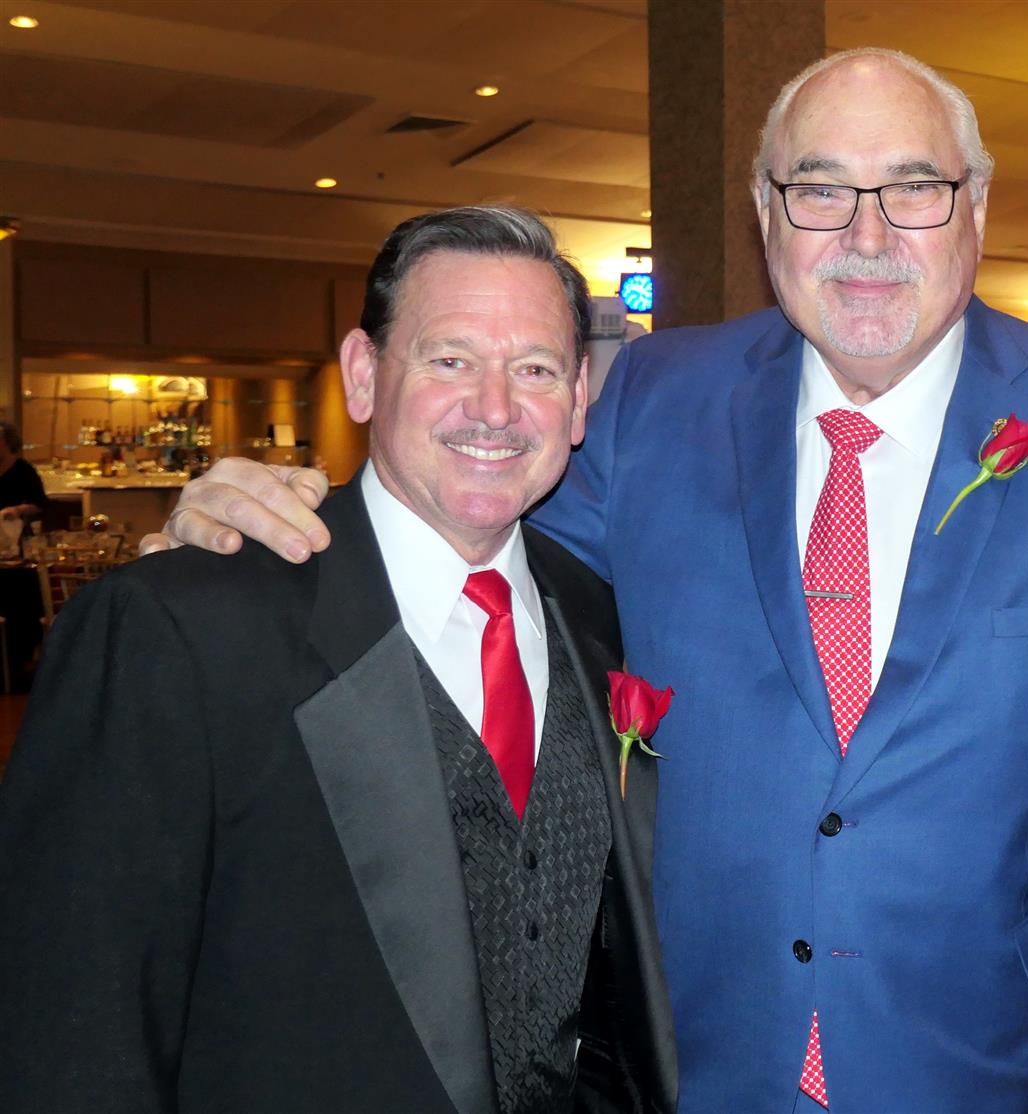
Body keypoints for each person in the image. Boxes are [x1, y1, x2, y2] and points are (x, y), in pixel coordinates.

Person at [145, 49, 1028, 1112]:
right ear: (766, 212)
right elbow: (463, 527)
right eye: (820, 189)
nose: (867, 234)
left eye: (914, 187)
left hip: (984, 1067)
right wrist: (277, 517)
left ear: (976, 206)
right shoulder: (646, 401)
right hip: (692, 1060)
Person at [0, 206, 678, 1114]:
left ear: (580, 399)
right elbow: (73, 1026)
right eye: (450, 360)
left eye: (536, 369)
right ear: (364, 375)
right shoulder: (178, 627)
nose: (495, 408)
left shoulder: (598, 614)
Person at [0, 420, 50, 523]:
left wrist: (17, 510)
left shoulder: (24, 470)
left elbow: (40, 504)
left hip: (11, 528)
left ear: (8, 442)